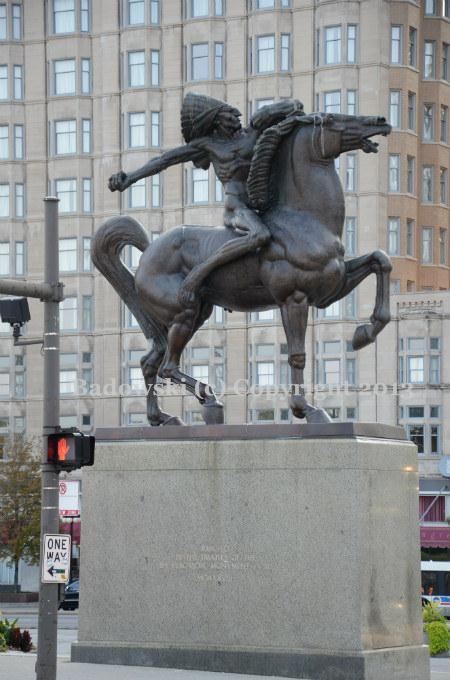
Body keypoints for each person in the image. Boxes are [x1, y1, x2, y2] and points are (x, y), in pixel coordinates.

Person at [108, 93, 304, 305]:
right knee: (260, 235)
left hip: (264, 206)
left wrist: (273, 111)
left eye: (235, 113)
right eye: (229, 115)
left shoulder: (253, 131)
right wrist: (130, 178)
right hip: (237, 209)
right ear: (216, 121)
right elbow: (164, 160)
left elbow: (295, 107)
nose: (236, 118)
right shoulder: (208, 146)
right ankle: (201, 271)